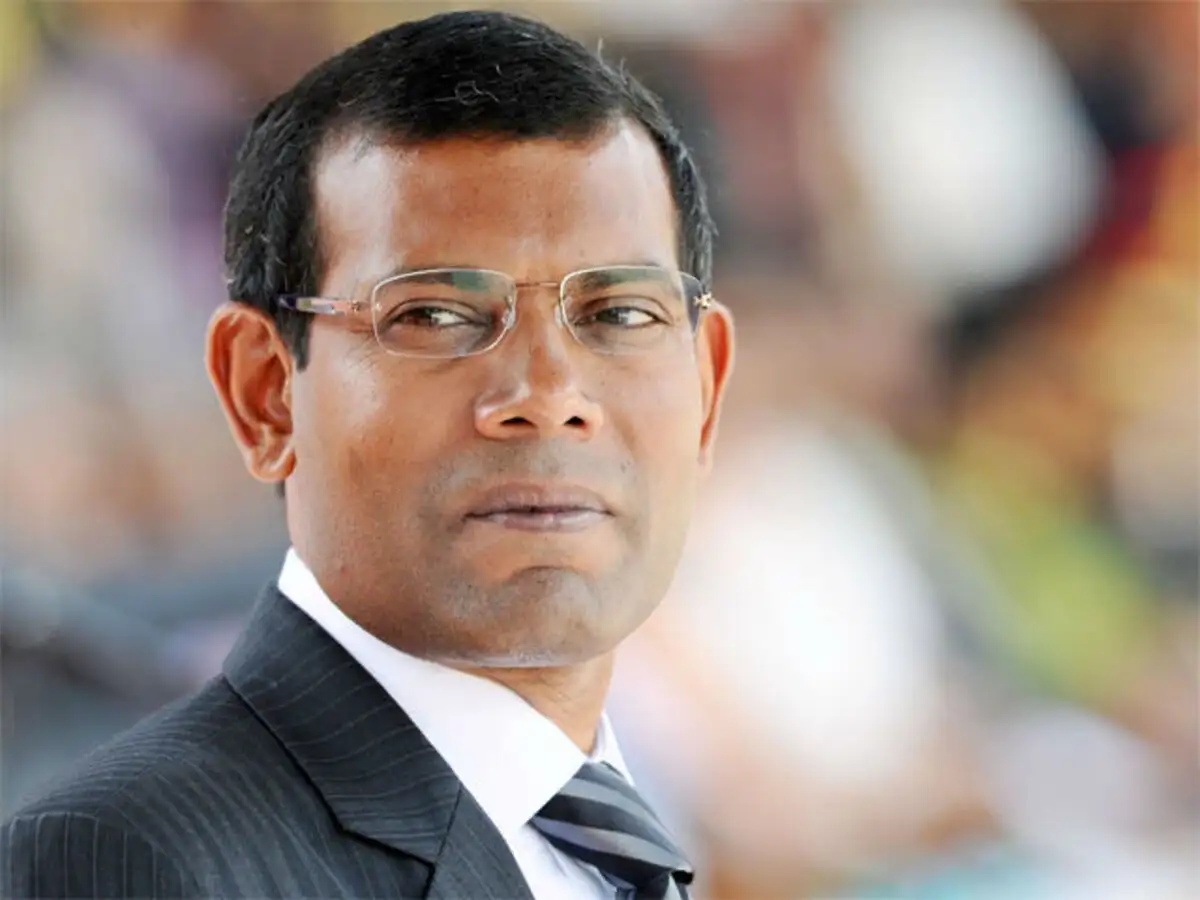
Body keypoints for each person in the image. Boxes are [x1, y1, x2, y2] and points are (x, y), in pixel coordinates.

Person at [0, 10, 734, 899]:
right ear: (265, 392)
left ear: (706, 389)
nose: (549, 395)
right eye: (435, 315)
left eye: (619, 314)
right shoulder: (136, 859)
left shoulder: (623, 822)